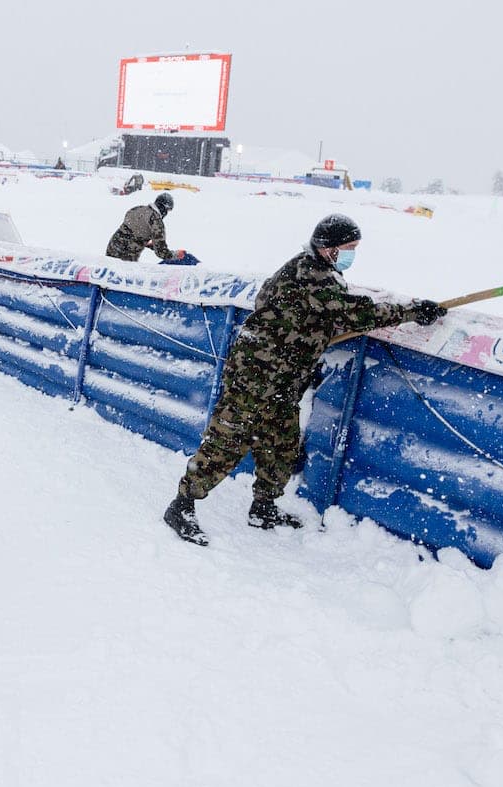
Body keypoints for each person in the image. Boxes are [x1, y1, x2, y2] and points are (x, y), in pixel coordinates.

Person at [161, 214, 448, 546]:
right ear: (328, 248)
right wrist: (413, 311)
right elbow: (357, 313)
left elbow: (311, 309)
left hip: (283, 379)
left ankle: (263, 507)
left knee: (280, 444)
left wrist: (308, 330)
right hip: (257, 375)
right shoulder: (310, 274)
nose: (352, 254)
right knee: (228, 441)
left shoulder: (318, 272)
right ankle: (181, 505)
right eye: (348, 248)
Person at [105, 191, 186, 262]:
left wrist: (147, 242)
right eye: (168, 210)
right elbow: (161, 252)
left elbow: (131, 231)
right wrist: (175, 255)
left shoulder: (137, 209)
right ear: (164, 208)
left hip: (112, 248)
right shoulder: (157, 222)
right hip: (126, 256)